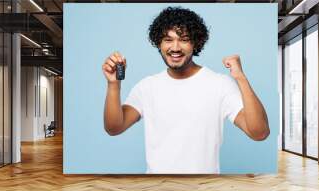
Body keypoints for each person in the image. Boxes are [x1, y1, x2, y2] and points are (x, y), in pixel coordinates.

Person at [102, 7, 269, 174]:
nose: (175, 47)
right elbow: (114, 128)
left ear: (195, 43)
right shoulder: (147, 86)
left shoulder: (219, 84)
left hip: (203, 190)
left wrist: (240, 78)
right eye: (168, 39)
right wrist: (114, 85)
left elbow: (259, 132)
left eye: (184, 39)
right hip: (158, 190)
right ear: (159, 43)